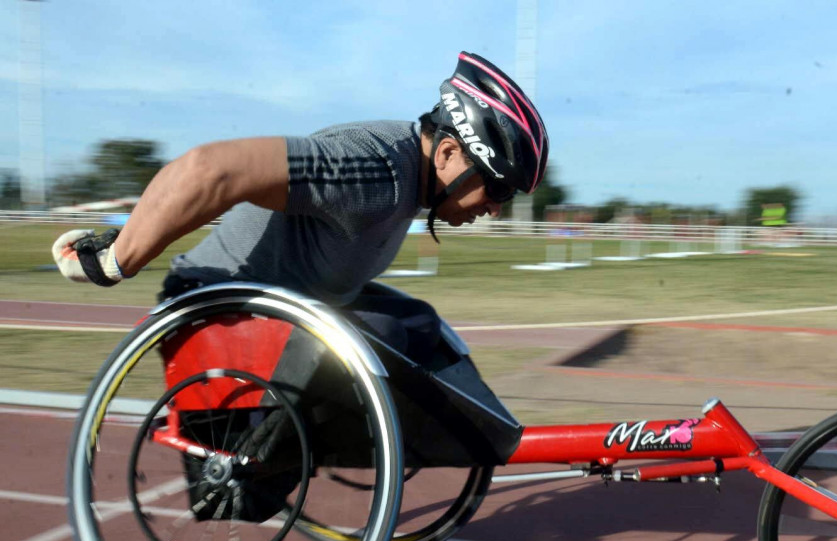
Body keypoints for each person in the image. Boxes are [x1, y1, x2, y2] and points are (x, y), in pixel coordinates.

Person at [51, 50, 549, 359]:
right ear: (446, 153)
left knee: (421, 327)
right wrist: (117, 259)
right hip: (216, 307)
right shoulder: (376, 171)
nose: (496, 208)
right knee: (388, 338)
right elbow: (210, 169)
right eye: (497, 188)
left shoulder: (410, 180)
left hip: (291, 308)